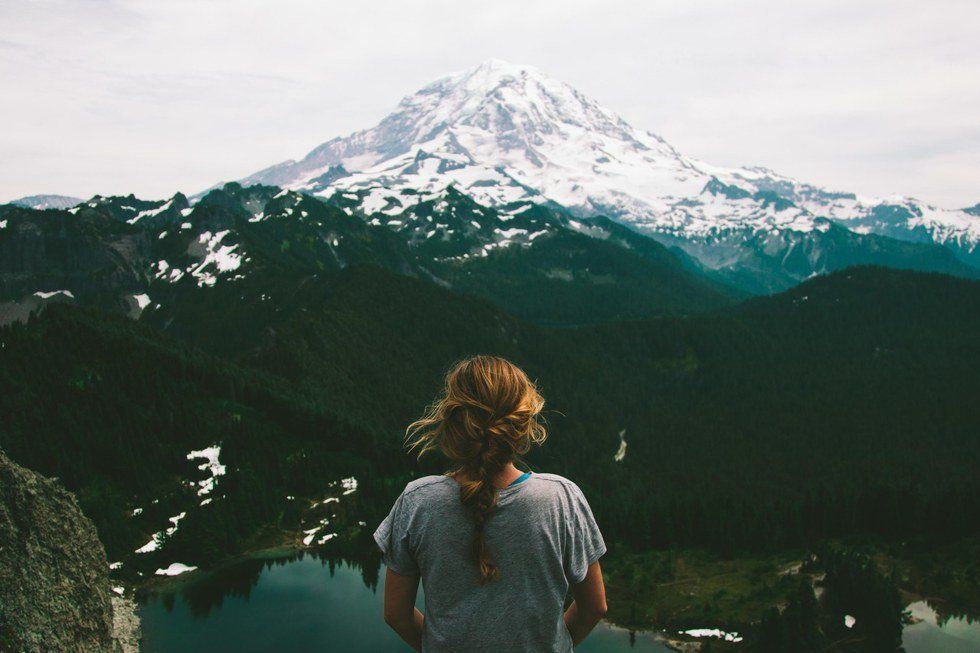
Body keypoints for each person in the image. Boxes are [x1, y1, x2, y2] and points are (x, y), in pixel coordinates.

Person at [373, 355, 607, 652]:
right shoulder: (561, 498)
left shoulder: (418, 502)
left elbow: (396, 614)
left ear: (453, 420)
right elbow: (595, 607)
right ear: (523, 422)